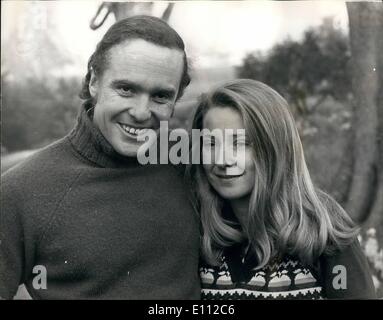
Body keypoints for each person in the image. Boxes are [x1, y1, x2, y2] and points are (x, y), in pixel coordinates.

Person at [0, 16, 200, 299]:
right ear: (94, 81)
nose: (142, 112)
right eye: (126, 89)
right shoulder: (19, 192)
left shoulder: (194, 168)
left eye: (160, 96)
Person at [187, 79, 376, 299]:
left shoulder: (324, 233)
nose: (222, 160)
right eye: (211, 143)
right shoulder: (198, 230)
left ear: (276, 149)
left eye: (242, 143)